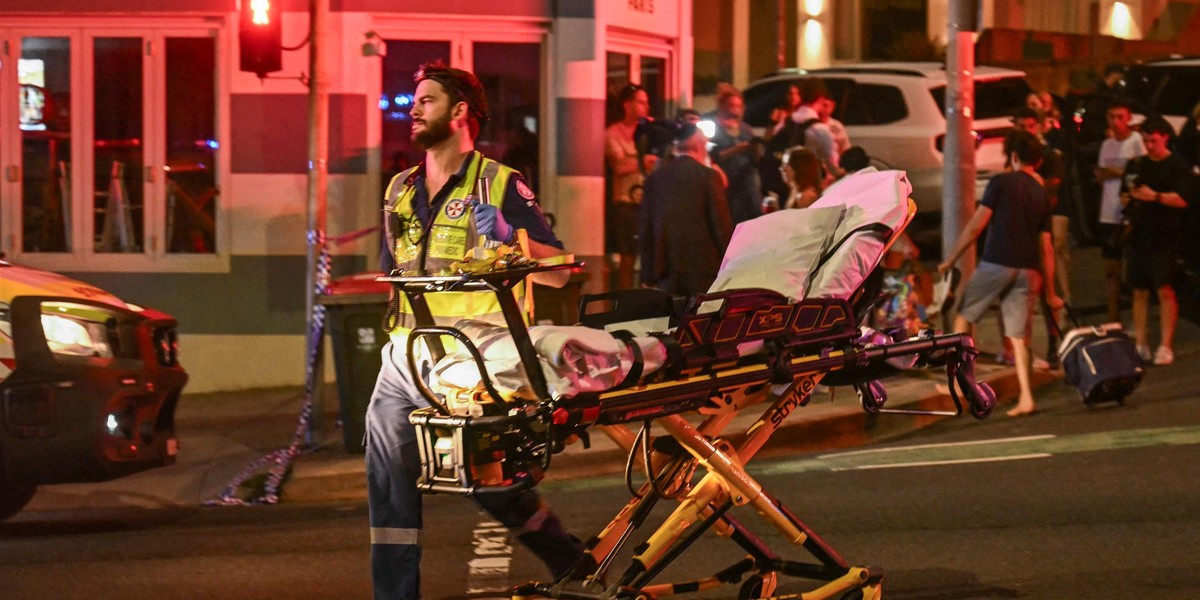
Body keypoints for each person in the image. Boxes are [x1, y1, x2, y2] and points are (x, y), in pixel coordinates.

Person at [368, 62, 581, 600]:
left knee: (487, 478)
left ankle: (572, 561)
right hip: (405, 356)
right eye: (413, 101)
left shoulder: (501, 184)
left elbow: (559, 270)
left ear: (460, 112)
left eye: (427, 100)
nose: (413, 110)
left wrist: (516, 238)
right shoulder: (399, 189)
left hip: (474, 358)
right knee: (389, 486)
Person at [939, 130, 1062, 417]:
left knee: (964, 316)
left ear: (1014, 156)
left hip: (997, 263)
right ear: (1038, 161)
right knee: (1021, 338)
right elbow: (1047, 247)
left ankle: (959, 383)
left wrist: (951, 259)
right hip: (1029, 270)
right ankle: (1027, 397)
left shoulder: (1001, 183)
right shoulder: (1042, 194)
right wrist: (1051, 290)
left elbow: (976, 226)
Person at [1119, 117, 1194, 365]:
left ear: (1165, 137)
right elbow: (1124, 195)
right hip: (1140, 234)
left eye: (1153, 140)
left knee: (1164, 288)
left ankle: (1165, 344)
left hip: (1166, 235)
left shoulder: (1177, 165)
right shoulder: (1136, 165)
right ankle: (1141, 343)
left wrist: (1156, 197)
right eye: (1145, 140)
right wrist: (1129, 200)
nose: (1149, 146)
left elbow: (1184, 200)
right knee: (1138, 290)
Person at [639, 122, 734, 295]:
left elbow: (646, 228)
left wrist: (647, 273)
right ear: (699, 146)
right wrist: (731, 263)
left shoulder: (656, 178)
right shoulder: (709, 176)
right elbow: (721, 225)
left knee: (672, 320)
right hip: (704, 268)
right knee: (701, 320)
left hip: (666, 269)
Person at [1094, 101, 1145, 324]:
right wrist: (1115, 172)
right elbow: (1100, 175)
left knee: (1135, 269)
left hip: (1128, 211)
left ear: (1129, 118)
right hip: (1108, 211)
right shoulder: (1106, 144)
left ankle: (1137, 318)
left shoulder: (1136, 142)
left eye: (1120, 117)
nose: (1116, 122)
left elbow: (1138, 173)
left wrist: (1116, 172)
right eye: (1112, 117)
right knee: (1111, 269)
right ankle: (1113, 318)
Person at [605, 83, 657, 290]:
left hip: (651, 201)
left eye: (647, 102)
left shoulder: (653, 131)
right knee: (627, 258)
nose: (646, 107)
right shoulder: (613, 133)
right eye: (641, 102)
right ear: (627, 105)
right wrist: (644, 161)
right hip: (627, 203)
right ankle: (626, 303)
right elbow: (619, 165)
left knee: (652, 256)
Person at [709, 83, 762, 225]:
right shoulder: (714, 128)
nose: (736, 111)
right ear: (722, 106)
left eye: (739, 106)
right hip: (726, 184)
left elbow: (755, 159)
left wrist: (755, 151)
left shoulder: (745, 129)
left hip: (746, 185)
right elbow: (711, 158)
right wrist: (736, 149)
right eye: (732, 106)